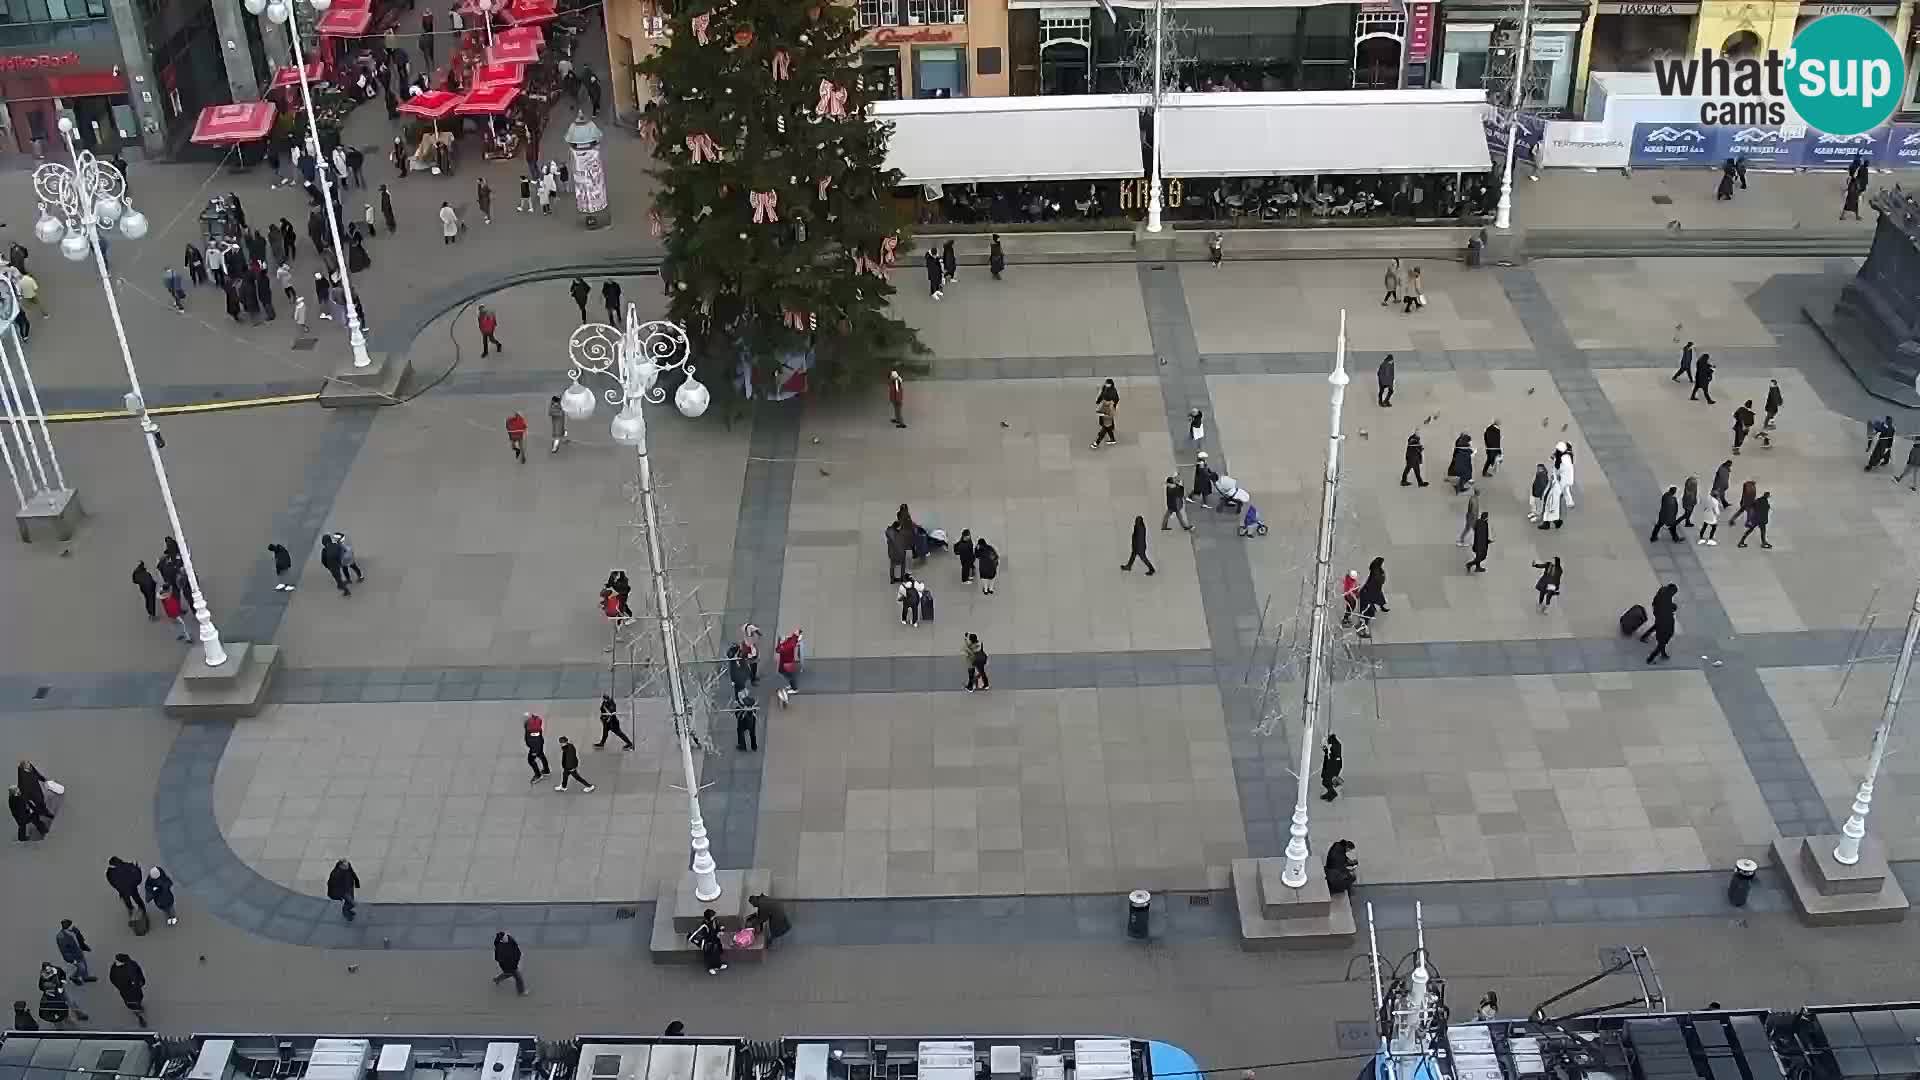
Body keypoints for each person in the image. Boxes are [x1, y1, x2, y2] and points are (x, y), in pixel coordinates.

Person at [1354, 557, 1388, 637]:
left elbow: (1376, 585)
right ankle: (1361, 631)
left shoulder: (1377, 571)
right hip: (1367, 595)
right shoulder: (1376, 573)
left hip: (1369, 594)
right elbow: (1371, 584)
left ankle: (1362, 629)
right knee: (1367, 613)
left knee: (1368, 613)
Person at [108, 954, 146, 1025]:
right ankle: (139, 1016)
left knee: (136, 999)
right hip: (128, 990)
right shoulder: (129, 964)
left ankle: (138, 1009)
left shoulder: (116, 968)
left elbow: (112, 979)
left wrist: (141, 980)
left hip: (131, 989)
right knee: (134, 1002)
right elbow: (113, 979)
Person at [1646, 583, 1679, 663]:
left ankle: (1645, 637)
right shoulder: (1666, 598)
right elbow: (1665, 608)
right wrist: (1672, 607)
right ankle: (1650, 659)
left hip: (1659, 617)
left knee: (1657, 627)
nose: (1673, 595)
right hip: (1664, 623)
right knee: (1662, 642)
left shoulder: (1664, 591)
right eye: (1673, 593)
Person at [688, 909, 728, 974]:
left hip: (715, 941)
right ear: (708, 917)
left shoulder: (714, 920)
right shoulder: (704, 925)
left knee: (717, 955)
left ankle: (718, 965)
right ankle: (710, 968)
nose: (714, 917)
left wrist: (721, 930)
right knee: (710, 956)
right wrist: (716, 934)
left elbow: (719, 925)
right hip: (709, 943)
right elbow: (700, 934)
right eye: (713, 916)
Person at [776, 629, 804, 697]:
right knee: (786, 674)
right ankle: (791, 685)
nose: (784, 637)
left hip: (786, 664)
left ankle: (794, 689)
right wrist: (798, 633)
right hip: (787, 662)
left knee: (789, 676)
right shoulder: (791, 640)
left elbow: (777, 650)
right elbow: (795, 634)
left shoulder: (785, 647)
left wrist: (780, 644)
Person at [523, 712, 551, 781]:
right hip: (540, 743)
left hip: (535, 747)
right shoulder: (536, 724)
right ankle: (546, 770)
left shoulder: (530, 729)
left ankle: (538, 775)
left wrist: (534, 751)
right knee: (541, 755)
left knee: (531, 760)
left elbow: (532, 740)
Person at [1318, 733, 1343, 801]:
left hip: (1333, 768)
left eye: (1328, 740)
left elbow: (1334, 758)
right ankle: (1330, 792)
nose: (1328, 742)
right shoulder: (1335, 745)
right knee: (1326, 781)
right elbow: (1330, 755)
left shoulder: (1336, 746)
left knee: (1326, 781)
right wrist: (1326, 750)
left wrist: (1326, 751)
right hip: (1331, 766)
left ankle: (1332, 793)